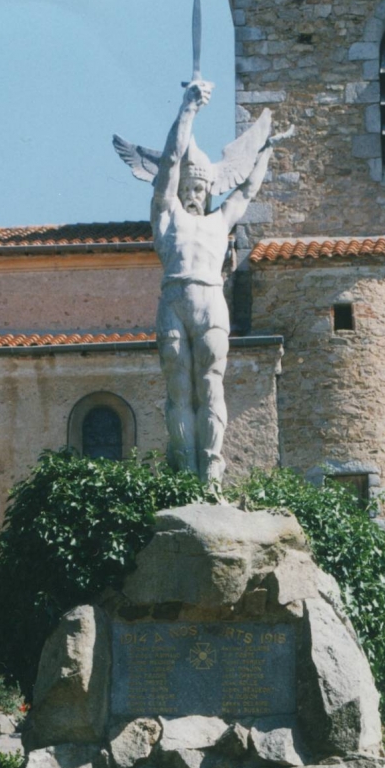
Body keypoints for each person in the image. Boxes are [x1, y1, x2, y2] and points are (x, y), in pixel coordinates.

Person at [150, 79, 274, 482]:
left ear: (208, 191)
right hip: (174, 300)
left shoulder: (220, 221)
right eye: (187, 186)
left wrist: (266, 150)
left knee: (211, 386)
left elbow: (249, 190)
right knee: (179, 391)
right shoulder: (167, 216)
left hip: (210, 303)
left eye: (200, 188)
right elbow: (169, 162)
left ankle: (212, 472)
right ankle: (186, 470)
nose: (192, 193)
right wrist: (188, 109)